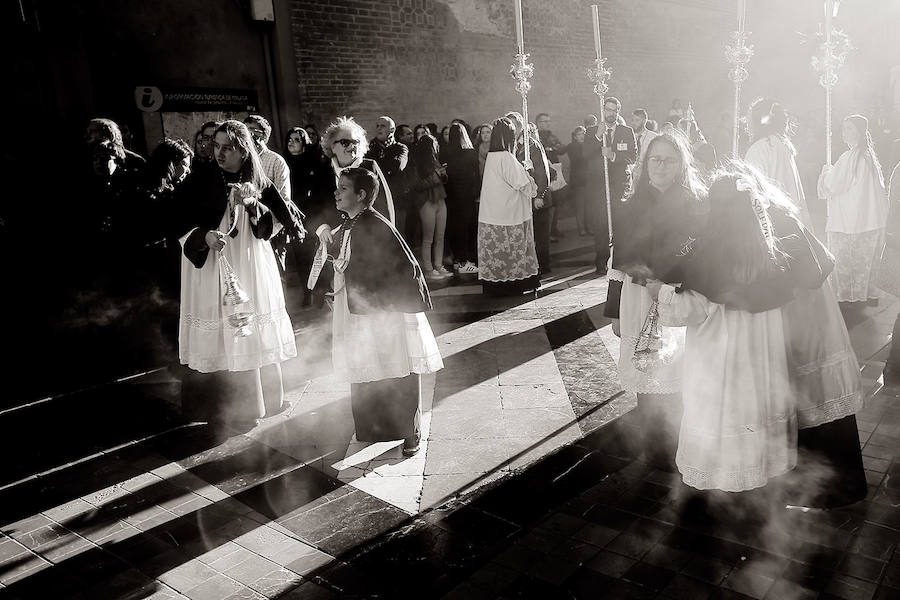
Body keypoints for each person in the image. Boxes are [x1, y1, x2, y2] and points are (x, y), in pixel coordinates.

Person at [650, 166, 834, 492]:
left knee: (723, 420)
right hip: (764, 361)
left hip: (720, 363)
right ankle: (759, 479)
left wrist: (658, 291)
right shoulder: (774, 256)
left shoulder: (707, 259)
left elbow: (687, 312)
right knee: (757, 414)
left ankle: (723, 486)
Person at [746, 101, 866, 508]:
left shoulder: (759, 150)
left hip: (782, 264)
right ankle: (838, 478)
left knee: (794, 365)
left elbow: (755, 212)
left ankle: (807, 479)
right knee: (817, 361)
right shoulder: (784, 146)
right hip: (802, 254)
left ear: (755, 122)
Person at [178, 120, 304, 429]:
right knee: (218, 324)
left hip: (249, 262)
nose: (219, 153)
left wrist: (251, 203)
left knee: (248, 325)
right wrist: (202, 236)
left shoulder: (257, 179)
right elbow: (176, 217)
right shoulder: (202, 177)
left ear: (244, 150)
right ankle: (219, 407)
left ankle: (261, 400)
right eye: (216, 146)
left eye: (227, 148)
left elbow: (277, 223)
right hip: (211, 261)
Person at [314, 167, 442, 455]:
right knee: (366, 363)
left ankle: (410, 432)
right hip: (357, 309)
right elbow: (341, 260)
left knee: (396, 366)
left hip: (382, 312)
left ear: (361, 195)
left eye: (344, 188)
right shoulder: (348, 223)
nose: (336, 192)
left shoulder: (376, 224)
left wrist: (379, 304)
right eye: (337, 186)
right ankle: (376, 427)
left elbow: (400, 268)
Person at [605, 132, 707, 471]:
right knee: (646, 365)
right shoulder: (631, 205)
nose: (661, 165)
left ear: (681, 165)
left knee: (679, 367)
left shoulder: (694, 203)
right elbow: (621, 258)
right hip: (639, 293)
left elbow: (697, 248)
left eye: (669, 159)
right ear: (645, 164)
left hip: (680, 294)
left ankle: (681, 443)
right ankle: (654, 447)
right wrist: (616, 310)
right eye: (655, 159)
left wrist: (670, 279)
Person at [819, 114, 889, 305]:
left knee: (848, 262)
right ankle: (864, 295)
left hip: (851, 223)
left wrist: (826, 172)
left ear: (860, 131)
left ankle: (850, 298)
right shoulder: (868, 157)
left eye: (850, 128)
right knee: (863, 264)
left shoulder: (851, 157)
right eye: (844, 127)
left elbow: (833, 185)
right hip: (871, 220)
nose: (845, 132)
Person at [310, 116, 396, 250]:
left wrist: (384, 239)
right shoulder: (323, 171)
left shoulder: (370, 167)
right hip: (332, 241)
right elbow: (313, 205)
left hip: (367, 241)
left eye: (355, 142)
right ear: (332, 147)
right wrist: (322, 228)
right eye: (345, 142)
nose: (352, 146)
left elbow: (384, 205)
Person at [477, 117, 539, 296]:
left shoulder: (491, 156)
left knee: (497, 255)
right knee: (514, 252)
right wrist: (529, 173)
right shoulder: (506, 157)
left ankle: (496, 286)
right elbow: (524, 185)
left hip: (491, 213)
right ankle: (516, 284)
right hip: (510, 215)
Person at [584, 96, 637, 274]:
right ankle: (601, 261)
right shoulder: (592, 131)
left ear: (618, 112)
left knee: (620, 223)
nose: (611, 113)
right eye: (608, 109)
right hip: (599, 187)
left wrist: (613, 155)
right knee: (601, 226)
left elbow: (632, 156)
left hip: (619, 186)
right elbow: (586, 155)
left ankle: (620, 259)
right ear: (602, 110)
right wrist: (598, 136)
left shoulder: (626, 131)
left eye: (614, 110)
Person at [745, 99, 809, 221]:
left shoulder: (758, 149)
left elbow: (753, 193)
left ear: (759, 121)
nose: (747, 123)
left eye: (750, 119)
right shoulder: (784, 145)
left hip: (770, 221)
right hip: (791, 218)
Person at [409, 133, 451, 281]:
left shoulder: (435, 161)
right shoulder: (416, 164)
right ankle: (428, 269)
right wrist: (437, 176)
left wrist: (443, 174)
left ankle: (439, 266)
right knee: (428, 238)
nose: (436, 148)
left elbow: (442, 180)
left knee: (440, 236)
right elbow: (417, 186)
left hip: (440, 199)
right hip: (426, 201)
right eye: (434, 145)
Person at [443, 123, 480, 275]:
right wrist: (476, 192)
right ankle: (467, 261)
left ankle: (458, 260)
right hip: (467, 196)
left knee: (454, 228)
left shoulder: (445, 152)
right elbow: (476, 175)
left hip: (451, 196)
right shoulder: (471, 153)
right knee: (469, 228)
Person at [519, 123, 553, 274]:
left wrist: (540, 195)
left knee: (541, 235)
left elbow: (542, 172)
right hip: (525, 198)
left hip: (538, 199)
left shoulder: (533, 146)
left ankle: (543, 265)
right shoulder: (517, 147)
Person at [365, 116, 409, 232]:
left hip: (396, 201)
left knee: (398, 237)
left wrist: (378, 163)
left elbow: (397, 166)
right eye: (377, 126)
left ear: (392, 130)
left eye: (383, 126)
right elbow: (366, 170)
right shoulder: (369, 148)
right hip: (376, 202)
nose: (379, 129)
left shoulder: (401, 148)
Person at [244, 115, 291, 203]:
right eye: (245, 131)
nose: (247, 135)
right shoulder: (242, 159)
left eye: (251, 130)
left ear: (262, 135)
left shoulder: (276, 161)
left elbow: (283, 199)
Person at [536, 112, 567, 241]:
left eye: (549, 121)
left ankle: (553, 229)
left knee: (557, 202)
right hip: (543, 173)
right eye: (544, 121)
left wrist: (553, 146)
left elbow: (561, 149)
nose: (547, 123)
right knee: (548, 203)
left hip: (555, 171)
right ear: (538, 123)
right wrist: (550, 148)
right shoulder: (536, 136)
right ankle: (547, 233)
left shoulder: (551, 136)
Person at [566, 126, 590, 236]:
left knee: (588, 206)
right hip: (578, 181)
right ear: (575, 137)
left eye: (584, 134)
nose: (582, 136)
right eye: (579, 134)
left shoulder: (587, 145)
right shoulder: (572, 147)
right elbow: (579, 159)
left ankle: (589, 227)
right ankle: (581, 228)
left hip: (588, 180)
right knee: (580, 206)